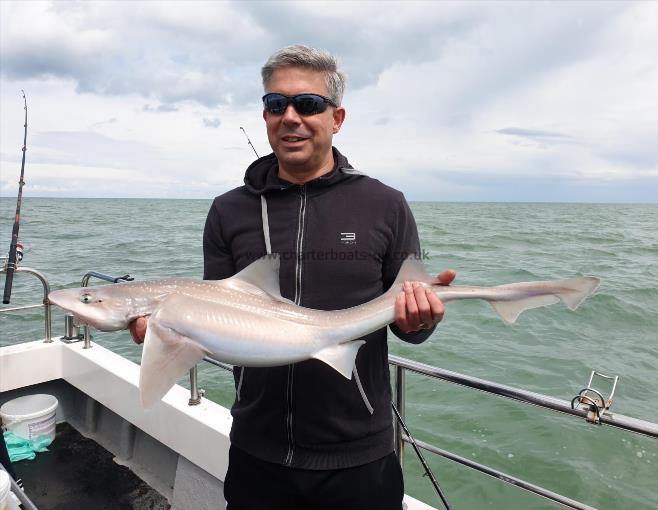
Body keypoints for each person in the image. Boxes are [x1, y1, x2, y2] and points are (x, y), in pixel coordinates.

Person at [130, 44, 455, 510]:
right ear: (264, 115)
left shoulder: (385, 204)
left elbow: (410, 328)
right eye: (275, 104)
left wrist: (421, 320)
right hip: (256, 448)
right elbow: (209, 320)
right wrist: (164, 333)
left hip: (358, 453)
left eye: (307, 104)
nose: (290, 117)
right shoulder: (229, 210)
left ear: (337, 118)